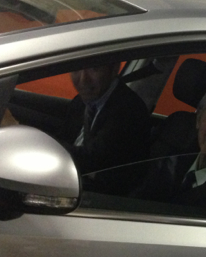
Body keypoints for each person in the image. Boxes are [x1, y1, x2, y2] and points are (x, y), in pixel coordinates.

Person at [56, 63, 151, 192]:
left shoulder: (128, 109)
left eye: (94, 68)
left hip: (104, 194)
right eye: (76, 68)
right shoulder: (83, 101)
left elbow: (92, 160)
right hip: (75, 178)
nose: (83, 79)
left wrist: (45, 146)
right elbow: (66, 137)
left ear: (114, 69)